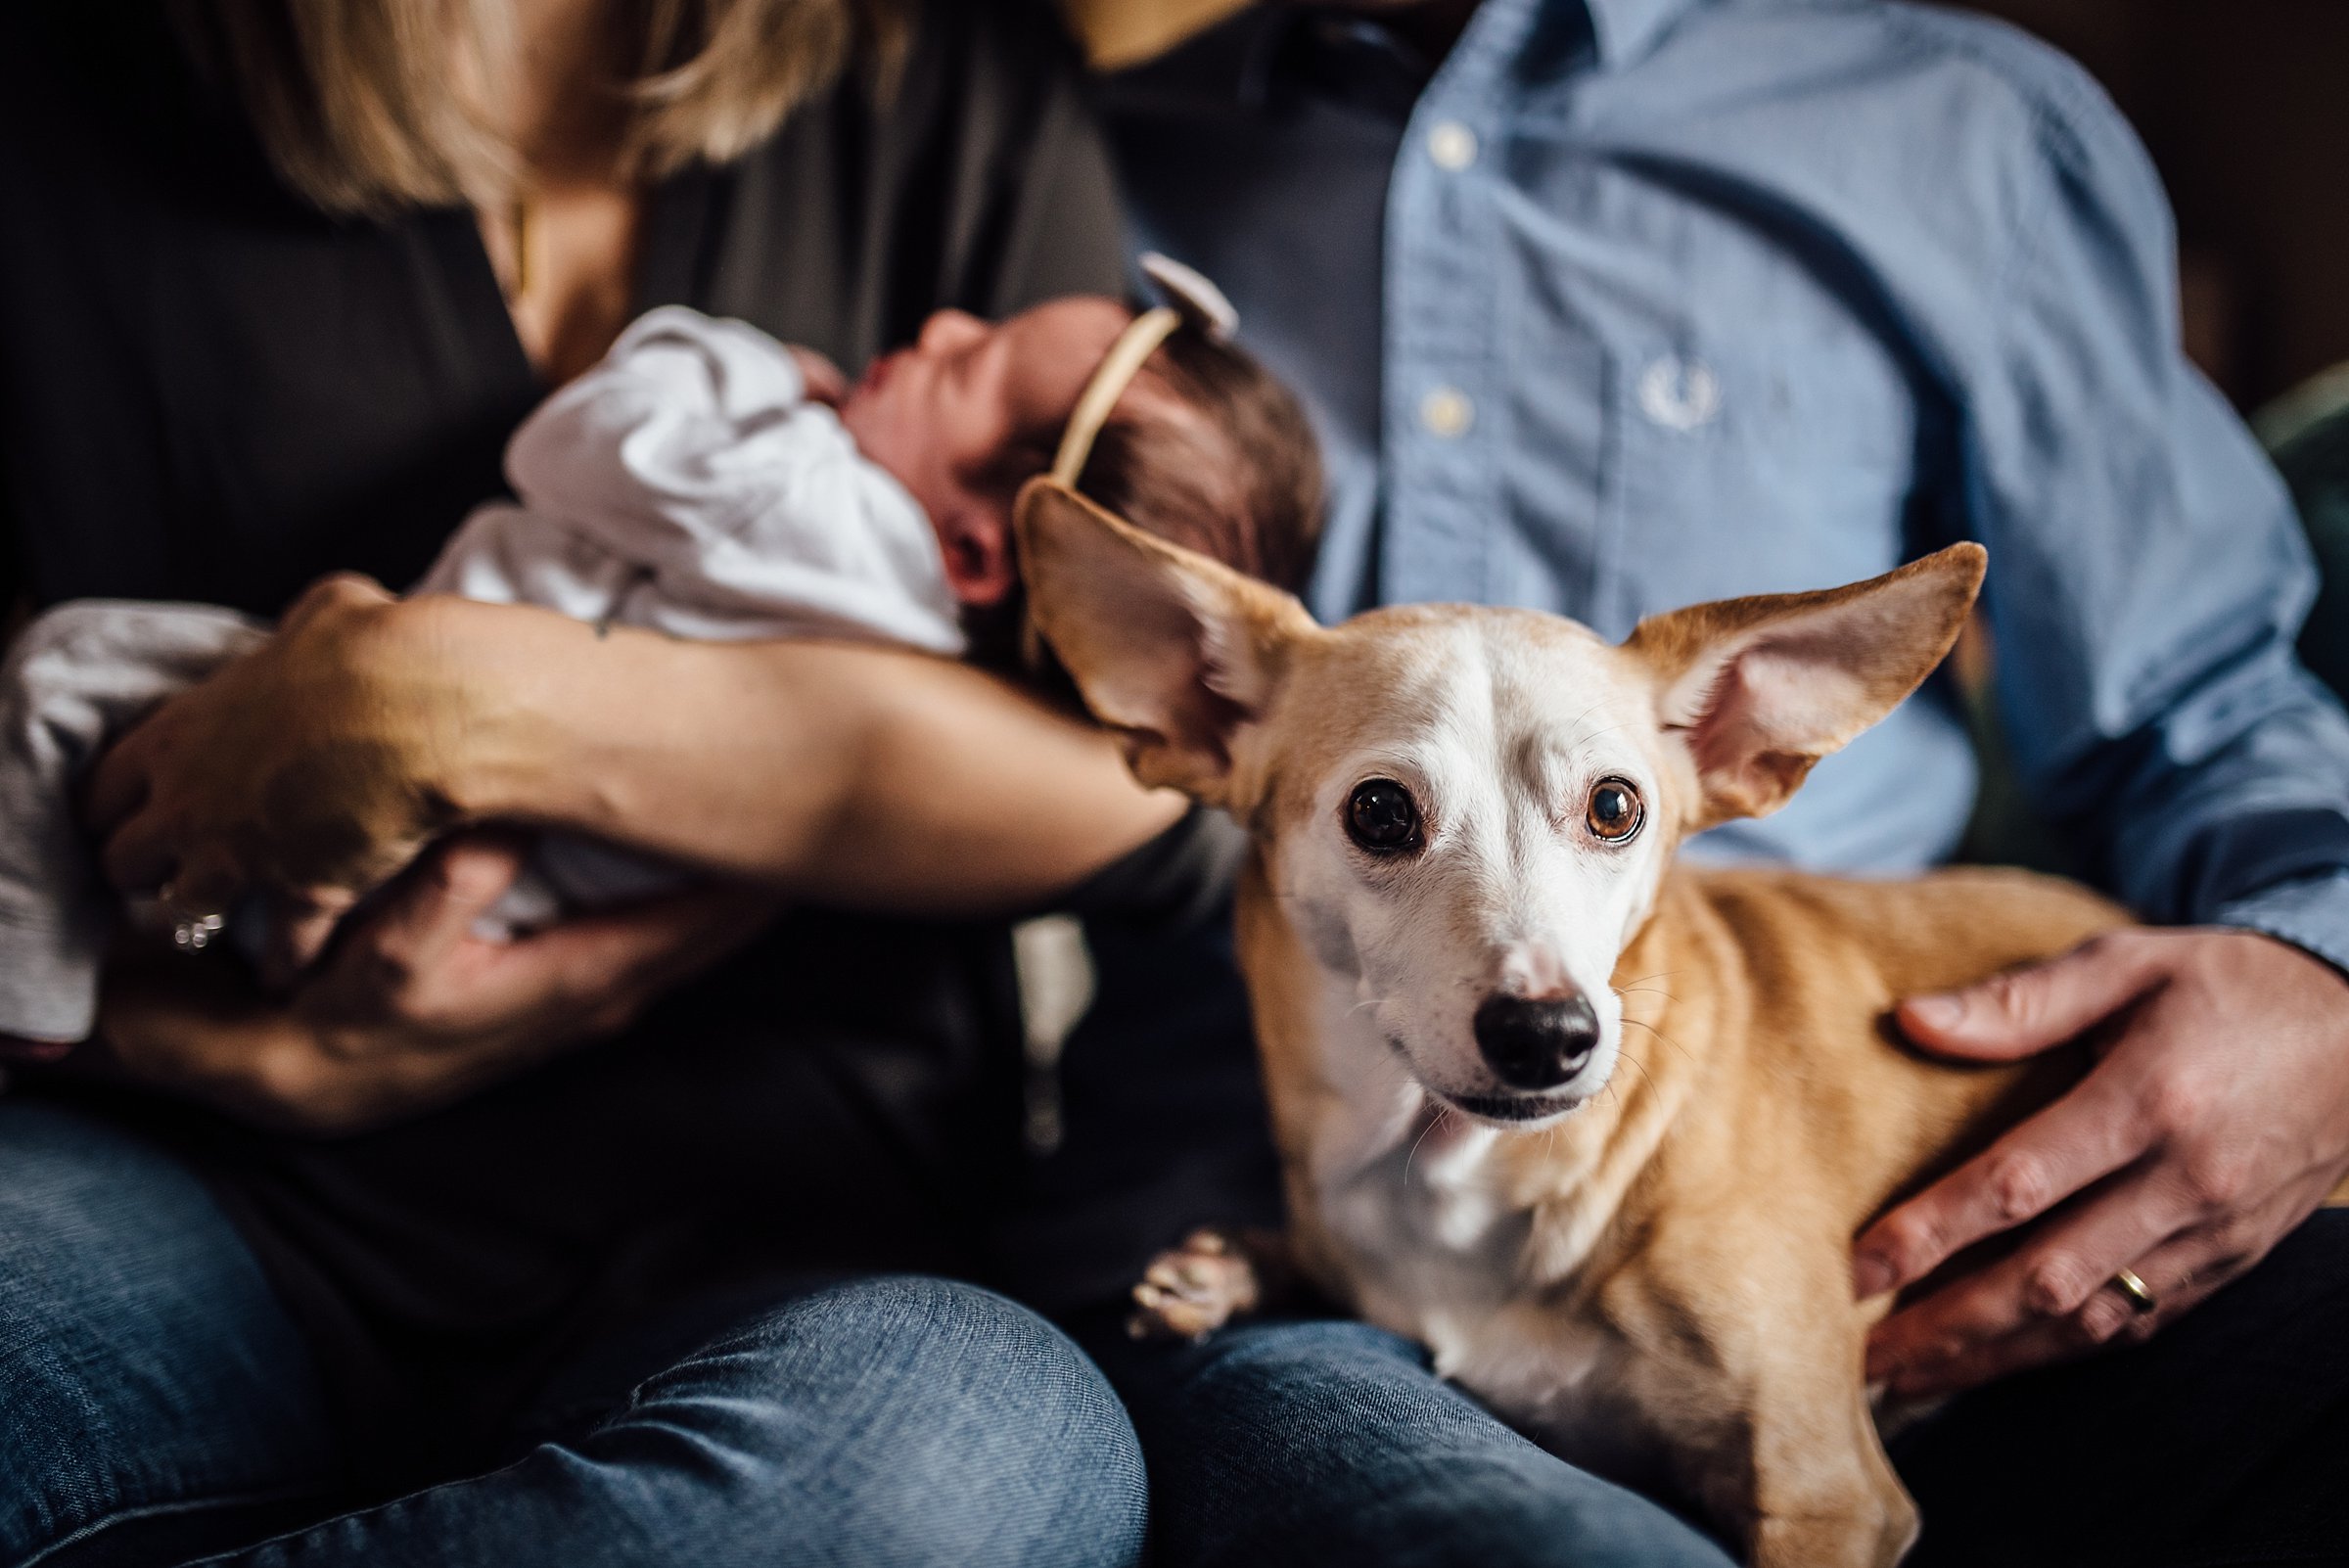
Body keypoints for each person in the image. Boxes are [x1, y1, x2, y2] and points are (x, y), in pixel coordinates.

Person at [1011, 0, 2349, 1563]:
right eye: (1390, 813)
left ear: (1733, 746)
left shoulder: (1958, 121)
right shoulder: (1078, 151)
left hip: (1954, 1193)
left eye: (1606, 810)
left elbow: (2202, 692)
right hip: (1279, 1238)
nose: (1541, 975)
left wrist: (2320, 975)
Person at [0, 2, 1221, 1563]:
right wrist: (252, 1061)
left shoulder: (942, 74)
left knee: (949, 1460)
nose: (945, 352)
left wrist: (479, 706)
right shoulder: (78, 89)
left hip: (782, 1236)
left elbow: (1154, 788)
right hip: (193, 1178)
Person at [0, 287, 1318, 1042]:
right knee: (174, 896)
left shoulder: (801, 496)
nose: (945, 318)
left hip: (369, 798)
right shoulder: (922, 650)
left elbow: (576, 444)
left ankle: (31, 1015)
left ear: (980, 553)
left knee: (61, 675)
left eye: (970, 361)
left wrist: (760, 372)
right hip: (474, 899)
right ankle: (118, 964)